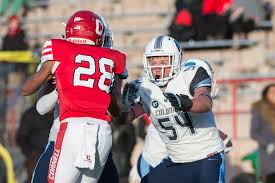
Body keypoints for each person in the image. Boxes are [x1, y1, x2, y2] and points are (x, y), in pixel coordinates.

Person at [21, 10, 126, 183]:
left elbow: (28, 91)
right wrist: (60, 90)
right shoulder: (111, 60)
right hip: (88, 136)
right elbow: (41, 108)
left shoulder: (59, 53)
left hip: (75, 134)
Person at [121, 35, 225, 183]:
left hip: (206, 156)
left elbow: (206, 102)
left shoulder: (190, 74)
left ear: (176, 60)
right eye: (153, 61)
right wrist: (121, 105)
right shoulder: (145, 87)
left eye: (163, 61)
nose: (158, 66)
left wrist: (185, 103)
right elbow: (125, 119)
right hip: (176, 160)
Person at [16, 103, 53, 183]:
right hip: (35, 154)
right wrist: (30, 154)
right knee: (35, 178)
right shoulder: (31, 113)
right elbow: (22, 136)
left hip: (55, 154)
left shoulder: (60, 113)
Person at [250, 84, 275, 183]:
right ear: (266, 95)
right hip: (268, 153)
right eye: (272, 92)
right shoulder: (259, 110)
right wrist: (268, 144)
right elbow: (253, 133)